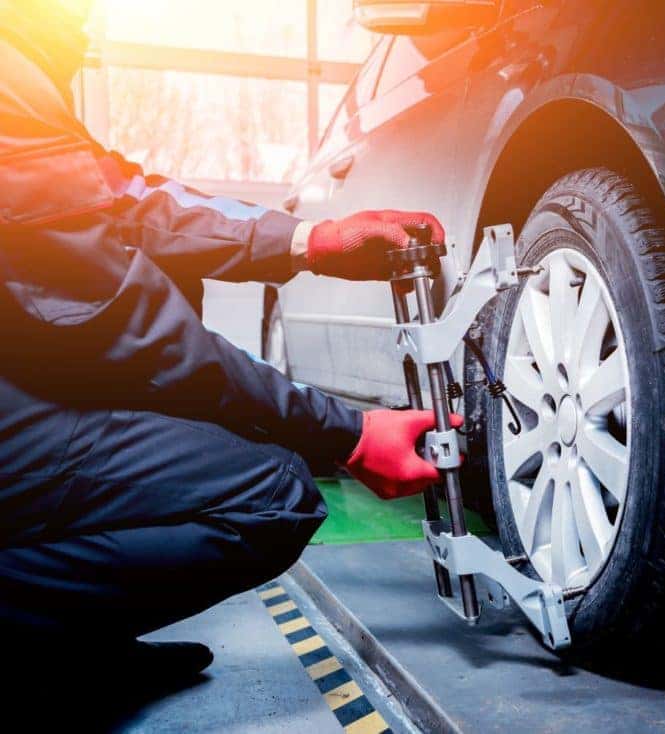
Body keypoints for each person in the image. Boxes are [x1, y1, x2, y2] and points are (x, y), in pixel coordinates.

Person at [0, 0, 458, 681]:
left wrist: (308, 240)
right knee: (271, 496)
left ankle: (68, 635)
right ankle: (36, 648)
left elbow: (130, 201)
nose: (89, 23)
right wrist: (348, 435)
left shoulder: (25, 74)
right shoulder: (11, 76)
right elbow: (139, 333)